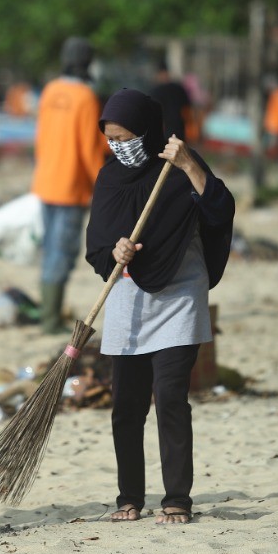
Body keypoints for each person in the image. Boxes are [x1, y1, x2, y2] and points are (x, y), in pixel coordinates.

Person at [85, 89, 235, 525]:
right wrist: (114, 252)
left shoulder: (180, 166)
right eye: (111, 138)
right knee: (126, 406)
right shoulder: (109, 178)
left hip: (179, 295)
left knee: (170, 397)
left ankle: (177, 500)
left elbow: (220, 209)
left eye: (125, 136)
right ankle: (128, 497)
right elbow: (95, 246)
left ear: (148, 132)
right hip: (128, 300)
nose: (118, 146)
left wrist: (188, 164)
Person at [32, 36, 107, 332]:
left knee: (51, 248)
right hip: (71, 186)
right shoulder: (87, 97)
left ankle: (49, 313)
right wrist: (103, 187)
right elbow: (91, 150)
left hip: (46, 181)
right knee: (61, 252)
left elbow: (40, 137)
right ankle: (49, 320)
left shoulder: (50, 90)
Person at [146, 59, 193, 144]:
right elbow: (187, 110)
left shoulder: (154, 91)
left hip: (163, 133)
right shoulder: (179, 88)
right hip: (179, 131)